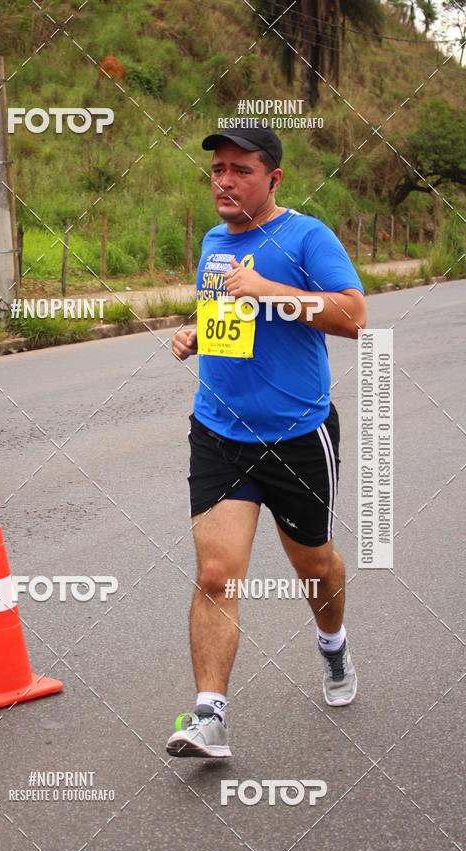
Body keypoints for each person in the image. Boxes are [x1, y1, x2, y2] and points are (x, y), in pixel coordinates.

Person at [167, 126, 366, 758]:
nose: (224, 181)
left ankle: (333, 646)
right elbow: (228, 317)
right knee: (215, 575)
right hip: (219, 433)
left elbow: (354, 316)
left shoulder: (307, 237)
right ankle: (209, 717)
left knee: (314, 566)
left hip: (297, 437)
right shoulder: (214, 242)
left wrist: (273, 292)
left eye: (240, 170)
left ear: (273, 178)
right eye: (217, 170)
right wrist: (196, 332)